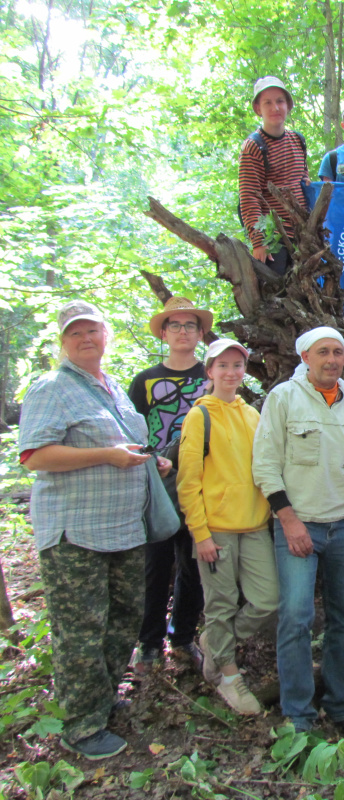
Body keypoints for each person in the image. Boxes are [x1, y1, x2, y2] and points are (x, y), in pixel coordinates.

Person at [18, 300, 171, 760]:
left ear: (106, 336)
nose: (85, 339)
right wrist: (106, 456)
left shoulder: (113, 391)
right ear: (62, 342)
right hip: (75, 532)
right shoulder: (52, 387)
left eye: (92, 331)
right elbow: (36, 456)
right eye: (74, 334)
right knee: (81, 627)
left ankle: (103, 701)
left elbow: (124, 443)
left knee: (124, 616)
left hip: (124, 528)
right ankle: (82, 727)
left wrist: (150, 460)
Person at [252, 327, 344, 742]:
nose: (332, 359)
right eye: (323, 352)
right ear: (305, 357)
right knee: (295, 617)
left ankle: (340, 704)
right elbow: (265, 465)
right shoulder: (283, 399)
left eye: (338, 352)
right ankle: (299, 715)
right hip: (299, 524)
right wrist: (289, 521)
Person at [176, 339, 278, 715]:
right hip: (215, 530)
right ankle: (229, 678)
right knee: (219, 604)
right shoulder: (199, 416)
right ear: (210, 371)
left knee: (268, 599)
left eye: (238, 365)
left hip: (253, 525)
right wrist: (200, 534)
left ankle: (215, 643)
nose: (232, 373)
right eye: (223, 366)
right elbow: (188, 482)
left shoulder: (251, 414)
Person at [129, 297, 213, 675]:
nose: (183, 332)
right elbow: (132, 431)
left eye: (190, 326)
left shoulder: (211, 377)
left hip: (201, 484)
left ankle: (182, 638)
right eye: (175, 326)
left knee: (193, 564)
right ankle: (148, 643)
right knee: (156, 565)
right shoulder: (144, 381)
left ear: (200, 333)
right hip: (158, 484)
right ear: (164, 333)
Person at [238, 76, 309, 275]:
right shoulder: (253, 147)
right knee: (276, 297)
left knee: (304, 295)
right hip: (273, 240)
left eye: (280, 101)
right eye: (267, 102)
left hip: (302, 236)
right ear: (258, 109)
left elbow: (301, 176)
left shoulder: (297, 140)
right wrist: (259, 242)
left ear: (288, 105)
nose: (275, 108)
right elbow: (249, 196)